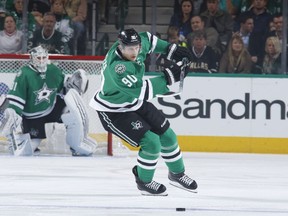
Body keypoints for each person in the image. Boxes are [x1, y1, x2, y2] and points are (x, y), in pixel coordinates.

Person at [89, 28, 198, 196]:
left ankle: (177, 174)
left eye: (136, 48)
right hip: (114, 111)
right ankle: (144, 182)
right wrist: (168, 77)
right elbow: (141, 92)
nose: (134, 52)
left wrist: (171, 49)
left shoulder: (138, 45)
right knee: (152, 143)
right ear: (120, 46)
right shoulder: (118, 68)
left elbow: (148, 39)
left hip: (133, 102)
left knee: (168, 135)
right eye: (129, 49)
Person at [0, 45, 97, 156]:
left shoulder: (53, 70)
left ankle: (76, 145)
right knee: (32, 146)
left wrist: (74, 85)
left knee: (71, 111)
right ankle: (20, 143)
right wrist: (13, 113)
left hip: (52, 107)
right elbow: (16, 98)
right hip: (33, 116)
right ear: (32, 58)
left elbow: (64, 89)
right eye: (38, 58)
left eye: (43, 58)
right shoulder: (24, 73)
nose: (41, 61)